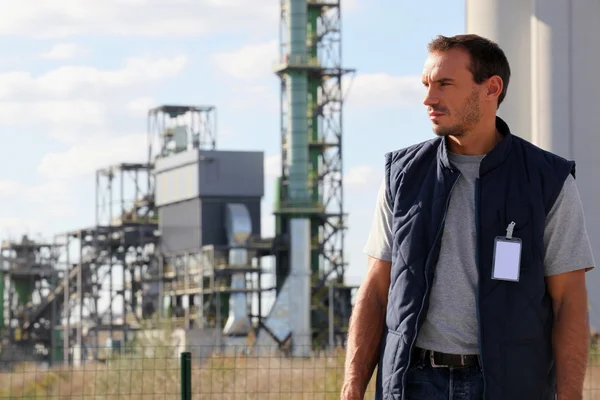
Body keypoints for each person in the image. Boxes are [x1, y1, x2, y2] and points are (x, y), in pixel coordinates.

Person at [341, 34, 596, 400]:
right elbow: (376, 288)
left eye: (445, 84)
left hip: (509, 387)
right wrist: (352, 389)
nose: (429, 98)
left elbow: (568, 301)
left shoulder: (547, 180)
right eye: (427, 85)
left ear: (491, 88)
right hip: (412, 385)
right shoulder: (402, 175)